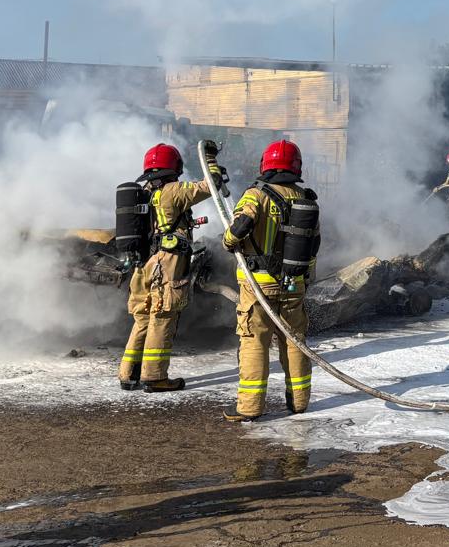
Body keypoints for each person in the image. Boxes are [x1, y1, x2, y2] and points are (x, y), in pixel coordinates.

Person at [222, 139, 322, 422]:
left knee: (254, 341)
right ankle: (299, 402)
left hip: (258, 285)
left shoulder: (256, 195)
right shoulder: (306, 199)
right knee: (294, 341)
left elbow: (238, 228)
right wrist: (304, 278)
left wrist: (227, 241)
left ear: (265, 164)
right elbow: (313, 244)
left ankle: (250, 407)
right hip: (294, 283)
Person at [119, 143, 213, 393]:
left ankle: (128, 375)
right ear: (175, 167)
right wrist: (211, 160)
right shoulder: (172, 190)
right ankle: (155, 377)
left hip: (143, 265)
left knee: (142, 319)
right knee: (162, 317)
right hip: (165, 264)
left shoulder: (145, 192)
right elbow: (210, 186)